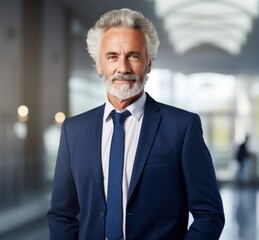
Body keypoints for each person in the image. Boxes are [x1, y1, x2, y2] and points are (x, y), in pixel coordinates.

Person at [47, 8, 225, 240]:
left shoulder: (182, 127)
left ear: (148, 64)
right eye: (112, 56)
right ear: (99, 65)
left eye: (134, 55)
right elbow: (62, 214)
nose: (123, 67)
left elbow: (209, 214)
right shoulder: (73, 131)